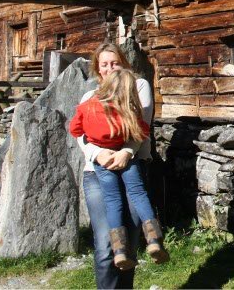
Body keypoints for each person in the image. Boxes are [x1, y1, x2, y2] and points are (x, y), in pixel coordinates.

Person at [70, 68, 169, 269]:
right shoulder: (128, 110)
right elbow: (142, 131)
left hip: (103, 162)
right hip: (126, 159)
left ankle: (120, 251)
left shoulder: (87, 107)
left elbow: (74, 130)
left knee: (112, 200)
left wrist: (91, 135)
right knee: (139, 194)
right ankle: (154, 239)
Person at [77, 43, 155, 288]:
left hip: (131, 166)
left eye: (115, 63)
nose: (110, 68)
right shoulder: (89, 97)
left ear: (123, 64)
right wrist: (98, 154)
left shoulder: (138, 86)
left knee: (128, 242)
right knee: (105, 244)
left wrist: (127, 151)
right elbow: (80, 135)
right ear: (97, 69)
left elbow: (141, 125)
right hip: (97, 172)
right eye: (104, 64)